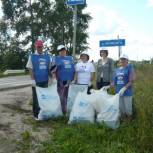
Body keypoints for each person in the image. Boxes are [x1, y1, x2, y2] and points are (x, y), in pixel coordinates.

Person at [103, 54, 136, 120]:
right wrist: (108, 86)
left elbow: (131, 80)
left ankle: (129, 121)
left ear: (127, 60)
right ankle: (124, 120)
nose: (122, 61)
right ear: (119, 61)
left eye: (124, 59)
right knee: (121, 107)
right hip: (118, 92)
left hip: (127, 92)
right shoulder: (117, 70)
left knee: (128, 108)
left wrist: (124, 88)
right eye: (121, 59)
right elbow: (114, 82)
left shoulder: (130, 68)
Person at [26, 40, 52, 120]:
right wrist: (32, 79)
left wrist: (52, 78)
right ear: (36, 47)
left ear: (43, 47)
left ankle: (42, 112)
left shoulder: (47, 57)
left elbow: (49, 69)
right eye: (38, 47)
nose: (40, 48)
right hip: (36, 81)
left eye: (41, 46)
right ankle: (36, 114)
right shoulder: (32, 56)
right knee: (36, 98)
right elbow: (30, 68)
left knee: (43, 98)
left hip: (45, 81)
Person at [54, 45, 75, 115]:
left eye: (64, 50)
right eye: (61, 51)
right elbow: (53, 70)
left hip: (70, 81)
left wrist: (74, 78)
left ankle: (67, 110)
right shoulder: (56, 58)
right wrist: (55, 78)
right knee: (61, 96)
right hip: (61, 81)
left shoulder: (70, 58)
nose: (63, 52)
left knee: (68, 96)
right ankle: (62, 111)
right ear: (59, 52)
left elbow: (74, 68)